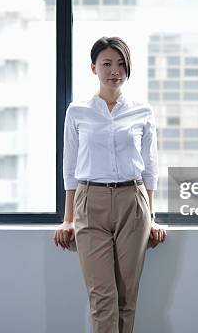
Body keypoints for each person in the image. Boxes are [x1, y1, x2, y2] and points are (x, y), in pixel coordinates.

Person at [53, 36, 166, 333]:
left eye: (120, 64)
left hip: (133, 202)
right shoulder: (77, 112)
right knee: (103, 297)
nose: (114, 70)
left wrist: (151, 217)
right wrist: (68, 219)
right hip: (91, 203)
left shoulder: (143, 112)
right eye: (106, 64)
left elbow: (150, 168)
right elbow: (70, 167)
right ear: (93, 68)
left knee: (127, 298)